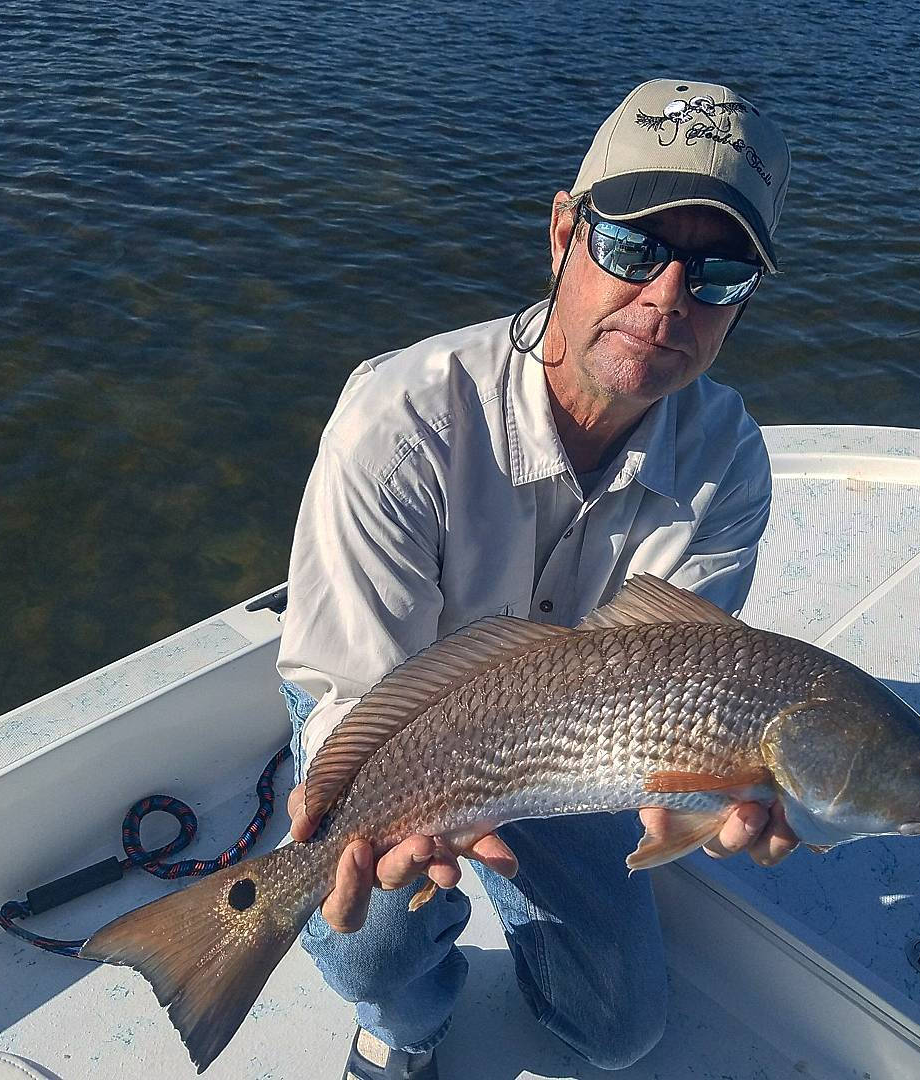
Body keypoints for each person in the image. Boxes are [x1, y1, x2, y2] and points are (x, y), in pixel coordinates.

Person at [277, 78, 797, 1080]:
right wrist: (368, 804)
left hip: (575, 749)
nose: (666, 299)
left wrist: (698, 799)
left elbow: (679, 711)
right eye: (634, 247)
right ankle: (411, 1023)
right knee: (364, 929)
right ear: (563, 233)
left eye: (719, 273)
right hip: (390, 721)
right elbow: (359, 693)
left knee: (619, 1029)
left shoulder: (730, 464)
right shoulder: (400, 422)